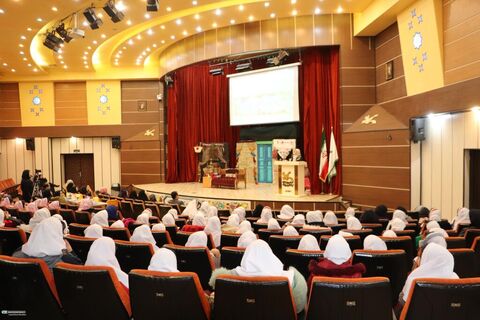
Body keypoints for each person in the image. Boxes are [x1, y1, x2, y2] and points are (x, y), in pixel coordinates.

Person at [209, 240, 307, 314]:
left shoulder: (226, 278)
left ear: (247, 255)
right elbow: (298, 307)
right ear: (270, 254)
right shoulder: (293, 281)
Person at [398, 243, 458, 311]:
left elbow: (402, 302)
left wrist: (415, 271)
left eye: (420, 257)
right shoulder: (456, 279)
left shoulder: (415, 280)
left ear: (426, 259)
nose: (418, 261)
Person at [13, 217, 82, 269]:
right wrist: (70, 251)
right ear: (58, 234)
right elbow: (80, 269)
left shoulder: (18, 252)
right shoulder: (64, 256)